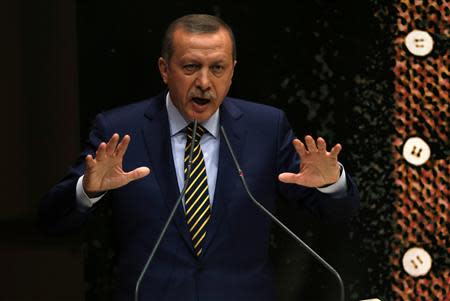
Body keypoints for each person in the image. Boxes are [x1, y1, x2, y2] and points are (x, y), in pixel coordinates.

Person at [40, 14, 359, 301]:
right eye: (191, 67)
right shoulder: (121, 130)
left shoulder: (266, 128)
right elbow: (53, 220)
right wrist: (88, 190)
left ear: (232, 71)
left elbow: (338, 214)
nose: (204, 83)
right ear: (165, 69)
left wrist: (331, 185)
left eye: (217, 68)